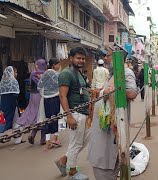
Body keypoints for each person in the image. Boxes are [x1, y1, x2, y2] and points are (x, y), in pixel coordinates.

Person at [88, 49, 138, 180]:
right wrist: (102, 92)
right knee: (101, 155)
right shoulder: (112, 74)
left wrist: (110, 92)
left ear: (117, 57)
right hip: (104, 127)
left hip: (112, 128)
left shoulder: (126, 72)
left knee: (108, 158)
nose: (105, 58)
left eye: (108, 56)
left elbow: (132, 93)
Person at [54, 47, 90, 180]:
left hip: (84, 113)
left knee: (85, 140)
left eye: (83, 58)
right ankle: (73, 172)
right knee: (75, 143)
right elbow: (62, 96)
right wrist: (68, 116)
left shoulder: (79, 73)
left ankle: (63, 160)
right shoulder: (66, 73)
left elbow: (82, 89)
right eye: (78, 58)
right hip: (75, 113)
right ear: (71, 58)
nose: (81, 61)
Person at [16, 59, 47, 145]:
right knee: (42, 116)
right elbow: (42, 84)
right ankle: (42, 139)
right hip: (40, 96)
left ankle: (33, 135)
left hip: (33, 96)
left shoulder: (34, 73)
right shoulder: (44, 74)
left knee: (37, 116)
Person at [37, 58, 62, 151]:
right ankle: (55, 138)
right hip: (56, 99)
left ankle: (48, 141)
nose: (59, 67)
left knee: (48, 119)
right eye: (58, 65)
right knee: (58, 118)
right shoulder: (57, 75)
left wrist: (45, 93)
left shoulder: (45, 74)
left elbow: (39, 86)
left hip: (46, 100)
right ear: (53, 65)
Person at [0, 67, 20, 133]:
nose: (17, 74)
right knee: (14, 120)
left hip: (3, 103)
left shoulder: (2, 81)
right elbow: (16, 94)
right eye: (15, 72)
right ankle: (17, 138)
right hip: (12, 103)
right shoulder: (13, 81)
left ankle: (18, 137)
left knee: (4, 119)